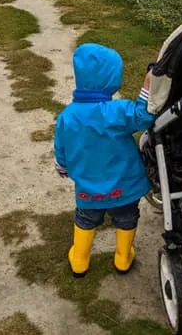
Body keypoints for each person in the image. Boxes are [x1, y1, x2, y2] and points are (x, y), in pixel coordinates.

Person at [54, 42, 155, 278]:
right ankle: (123, 257)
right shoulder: (117, 111)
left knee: (86, 219)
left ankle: (79, 260)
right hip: (124, 185)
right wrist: (147, 88)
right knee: (127, 217)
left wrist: (62, 165)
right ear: (111, 79)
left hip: (89, 188)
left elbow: (61, 147)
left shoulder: (67, 116)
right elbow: (144, 117)